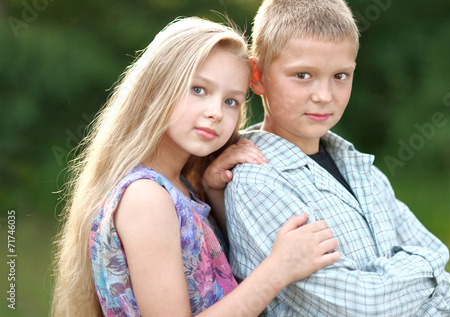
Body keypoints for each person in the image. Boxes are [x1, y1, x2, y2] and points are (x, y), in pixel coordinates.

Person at [51, 17, 341, 317]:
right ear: (155, 89)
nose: (216, 112)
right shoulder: (145, 198)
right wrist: (278, 270)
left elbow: (218, 276)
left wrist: (213, 191)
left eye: (231, 101)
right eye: (199, 89)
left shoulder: (180, 188)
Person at [224, 0, 450, 316]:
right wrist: (430, 271)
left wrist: (432, 271)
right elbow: (363, 307)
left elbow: (443, 276)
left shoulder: (362, 170)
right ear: (258, 76)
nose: (324, 95)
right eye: (302, 75)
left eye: (340, 76)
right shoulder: (258, 182)